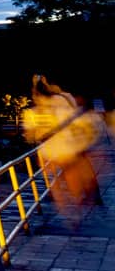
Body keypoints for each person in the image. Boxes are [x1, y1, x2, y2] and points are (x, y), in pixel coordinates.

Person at [25, 75, 104, 228]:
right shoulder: (64, 99)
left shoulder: (33, 111)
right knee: (73, 180)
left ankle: (70, 215)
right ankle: (78, 210)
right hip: (69, 148)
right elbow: (74, 119)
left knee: (56, 187)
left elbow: (30, 136)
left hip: (48, 152)